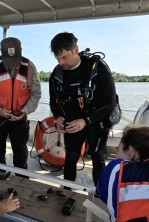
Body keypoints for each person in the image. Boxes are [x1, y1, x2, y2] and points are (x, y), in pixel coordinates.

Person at [49, 32, 117, 187]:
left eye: (64, 57)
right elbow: (54, 102)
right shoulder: (57, 74)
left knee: (97, 157)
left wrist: (86, 120)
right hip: (73, 122)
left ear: (76, 49)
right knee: (70, 158)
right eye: (57, 58)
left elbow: (110, 102)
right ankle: (67, 191)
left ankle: (101, 198)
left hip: (96, 120)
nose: (61, 62)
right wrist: (58, 117)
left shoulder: (98, 68)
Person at [0, 37, 42, 176]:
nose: (13, 65)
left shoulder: (30, 67)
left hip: (20, 118)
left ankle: (21, 181)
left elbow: (36, 94)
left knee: (21, 153)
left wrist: (25, 111)